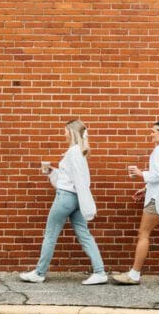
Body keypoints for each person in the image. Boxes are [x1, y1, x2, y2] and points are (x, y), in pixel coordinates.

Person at [20, 119, 107, 285]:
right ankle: (100, 272)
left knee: (50, 234)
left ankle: (39, 273)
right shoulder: (77, 152)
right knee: (84, 234)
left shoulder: (73, 152)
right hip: (75, 199)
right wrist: (54, 172)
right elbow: (74, 178)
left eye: (65, 130)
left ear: (72, 132)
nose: (63, 133)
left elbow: (79, 179)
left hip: (65, 198)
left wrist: (87, 202)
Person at [111, 120, 159, 286]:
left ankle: (134, 274)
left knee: (143, 234)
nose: (151, 134)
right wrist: (146, 188)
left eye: (154, 131)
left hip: (157, 200)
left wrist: (140, 173)